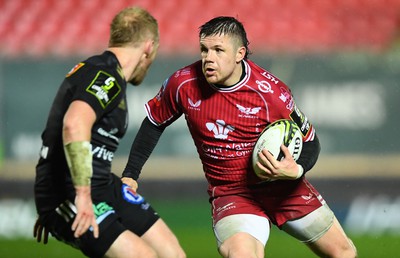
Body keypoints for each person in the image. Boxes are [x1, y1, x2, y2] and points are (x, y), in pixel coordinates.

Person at [121, 16, 357, 258]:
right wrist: (130, 175)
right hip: (232, 192)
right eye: (204, 49)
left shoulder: (271, 93)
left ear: (239, 54)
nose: (208, 58)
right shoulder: (183, 83)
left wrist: (294, 170)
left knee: (344, 253)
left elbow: (310, 141)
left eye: (218, 50)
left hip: (284, 187)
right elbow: (154, 123)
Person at [33, 7, 186, 258]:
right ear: (148, 46)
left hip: (101, 184)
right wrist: (65, 201)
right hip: (71, 189)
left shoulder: (100, 70)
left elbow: (57, 129)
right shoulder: (106, 77)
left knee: (172, 252)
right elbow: (73, 124)